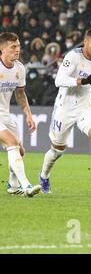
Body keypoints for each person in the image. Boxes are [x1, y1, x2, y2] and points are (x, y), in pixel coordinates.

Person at [39, 27, 91, 195]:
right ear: (85, 41)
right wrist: (82, 81)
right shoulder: (73, 57)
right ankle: (44, 176)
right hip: (64, 108)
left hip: (84, 105)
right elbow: (59, 80)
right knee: (57, 151)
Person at [0, 32, 41, 197]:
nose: (17, 50)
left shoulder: (19, 68)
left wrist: (28, 114)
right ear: (2, 49)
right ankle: (27, 186)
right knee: (11, 142)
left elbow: (20, 94)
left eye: (18, 46)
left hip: (5, 114)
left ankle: (12, 184)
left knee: (20, 151)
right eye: (13, 47)